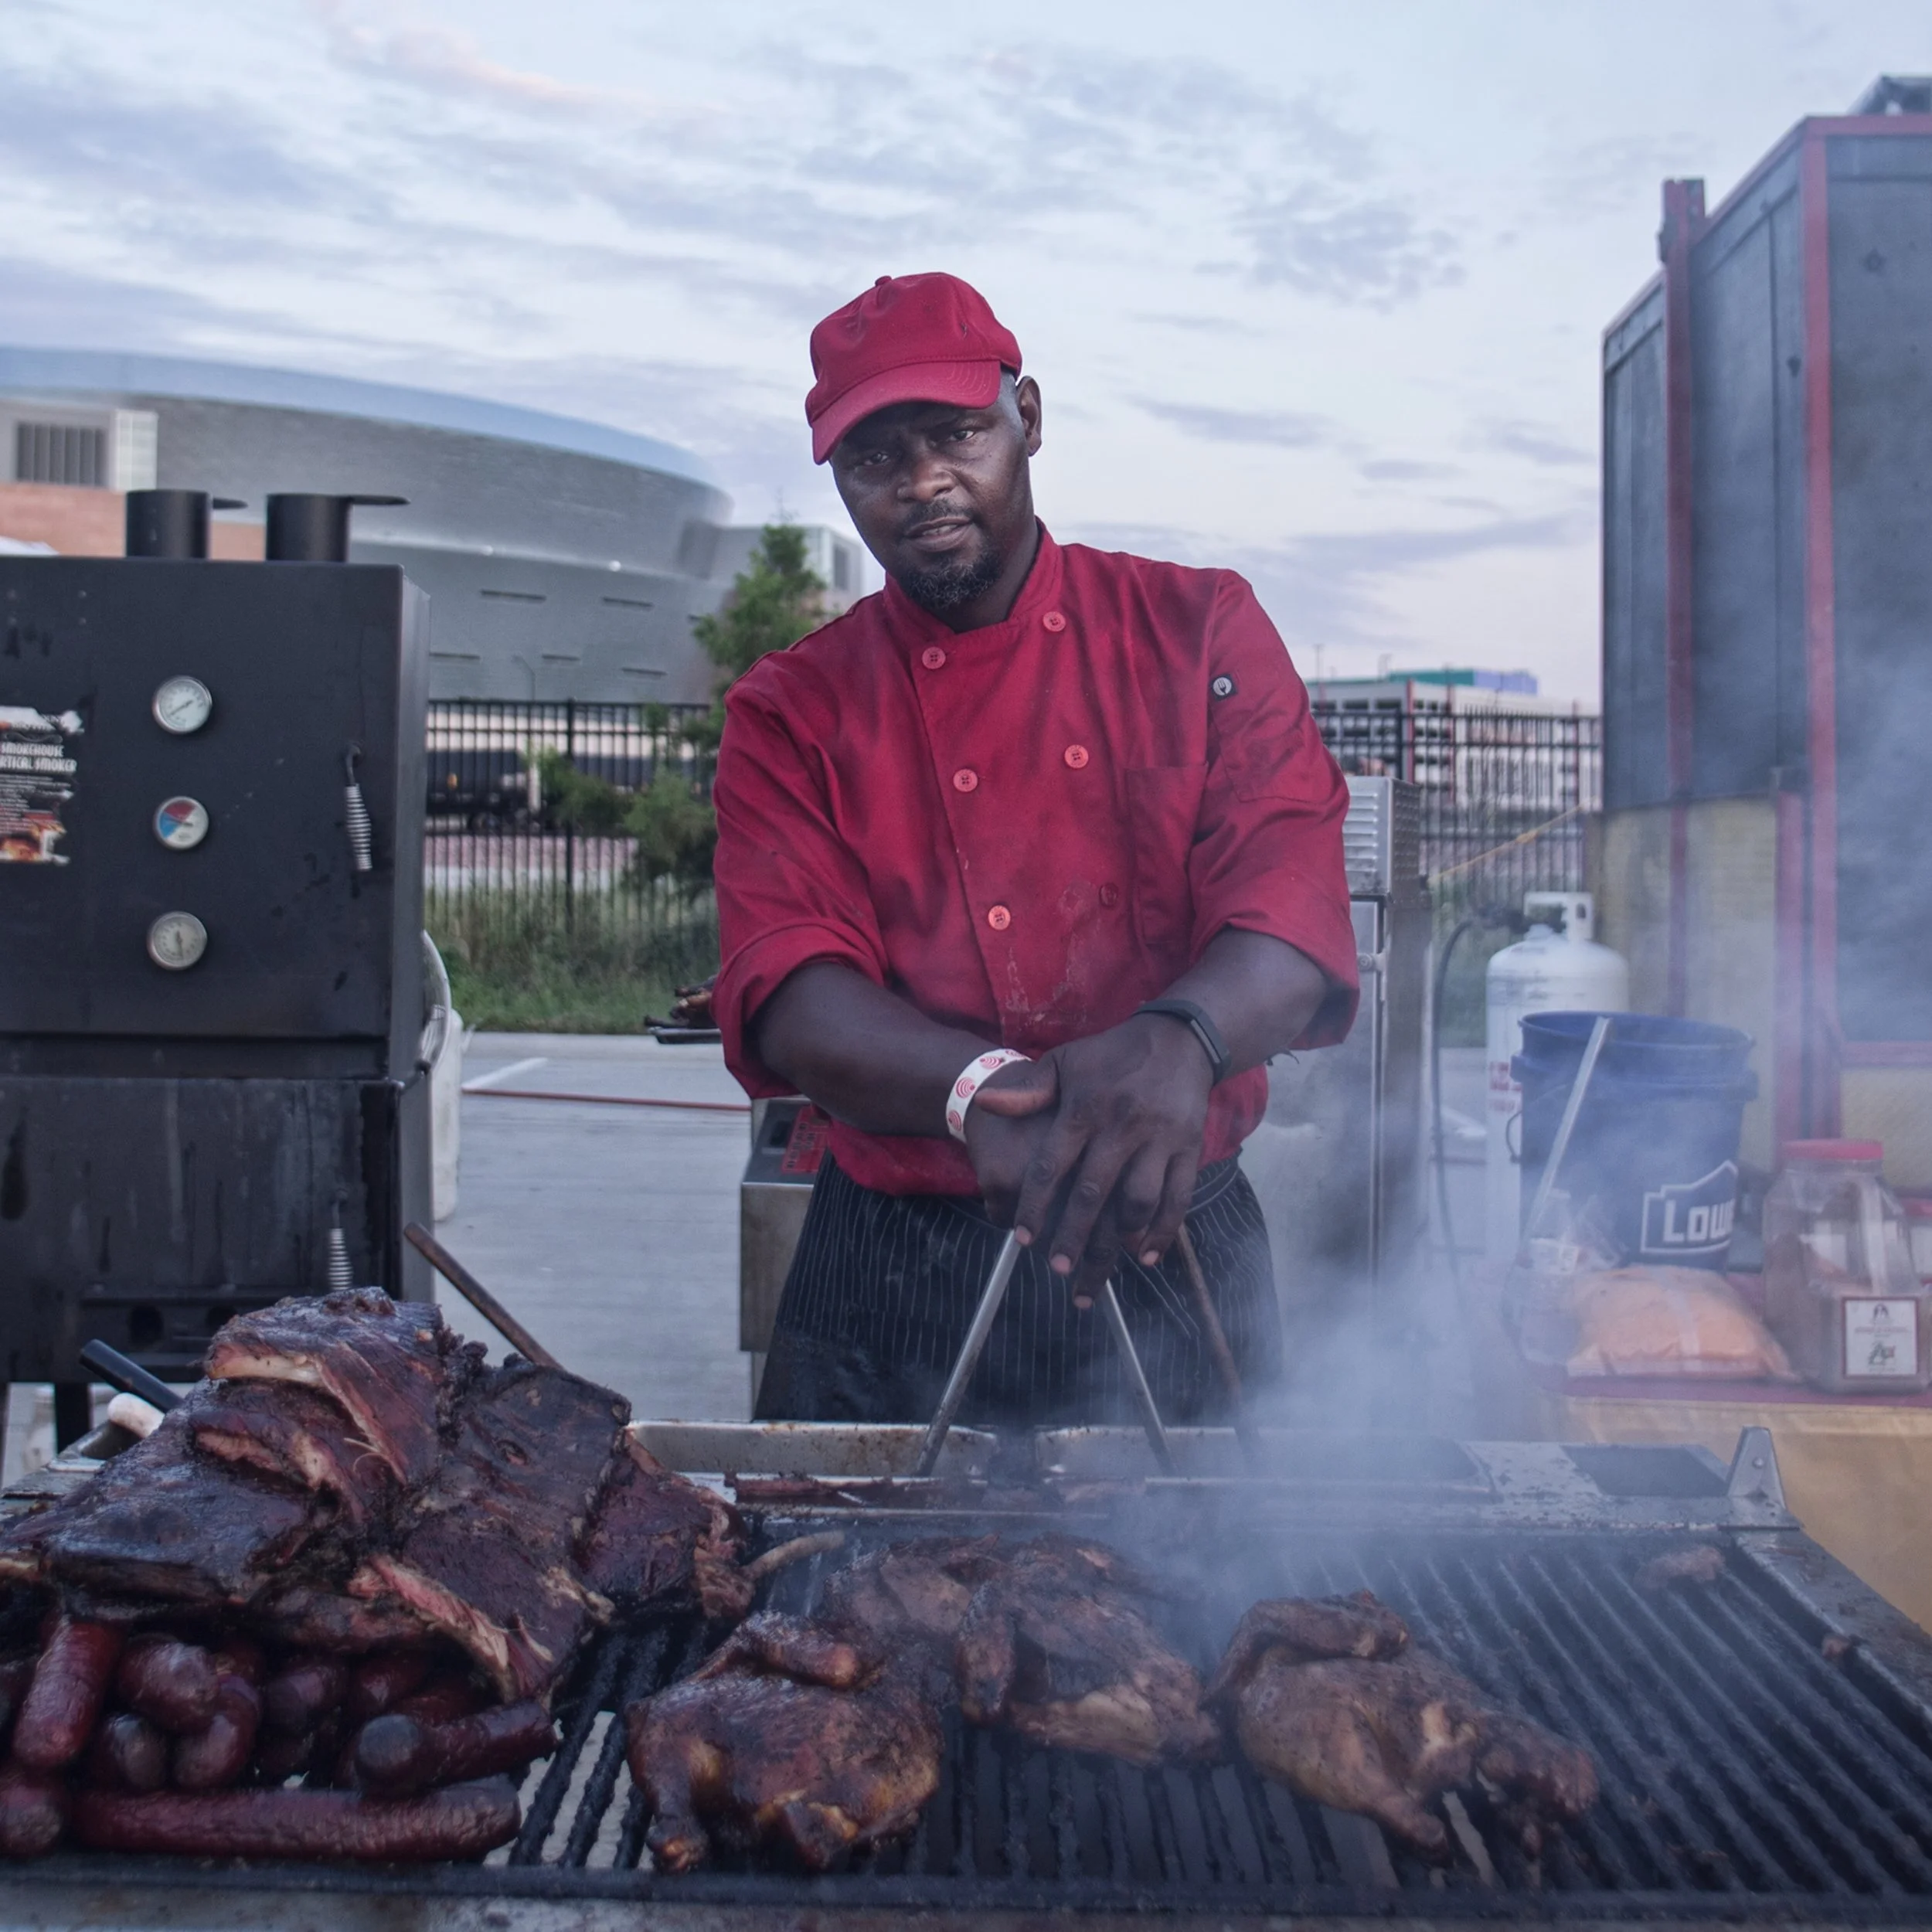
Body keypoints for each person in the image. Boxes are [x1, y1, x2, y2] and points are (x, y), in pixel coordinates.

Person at [712, 272, 1359, 1427]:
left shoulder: (1199, 628)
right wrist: (981, 1093)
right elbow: (789, 987)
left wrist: (1178, 1041)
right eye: (872, 458)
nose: (920, 483)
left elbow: (1290, 911)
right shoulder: (792, 706)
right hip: (890, 1258)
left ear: (1031, 419)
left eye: (957, 432)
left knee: (1233, 1597)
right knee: (813, 1588)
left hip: (1179, 1247)